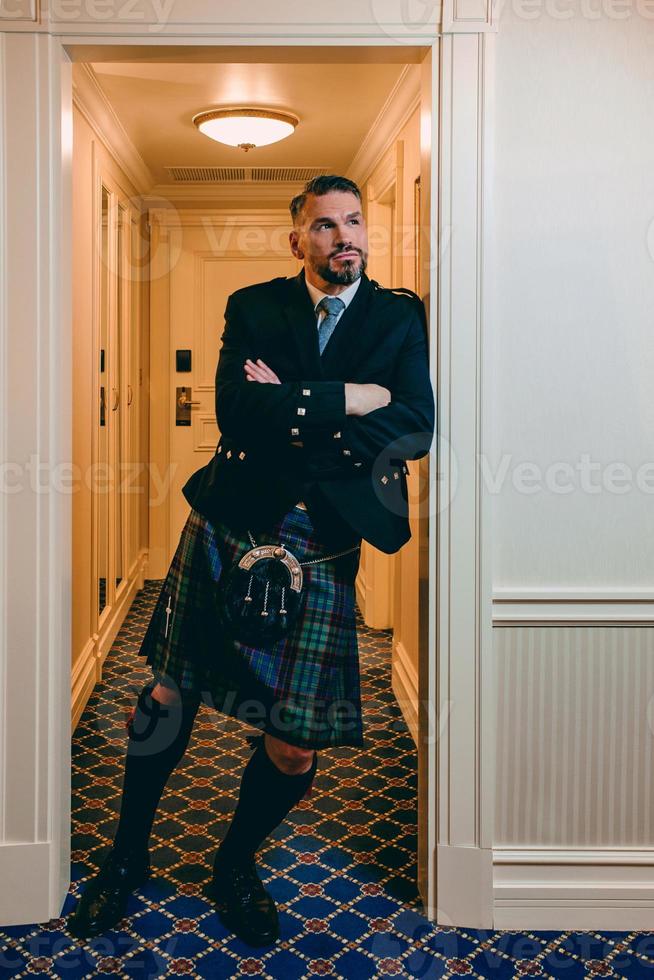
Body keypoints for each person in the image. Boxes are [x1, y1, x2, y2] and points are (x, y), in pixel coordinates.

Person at [68, 174, 435, 946]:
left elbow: (414, 427)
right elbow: (235, 406)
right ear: (297, 238)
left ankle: (235, 862)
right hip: (232, 520)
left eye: (355, 221)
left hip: (327, 538)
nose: (346, 238)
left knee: (295, 737)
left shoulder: (399, 316)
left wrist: (296, 401)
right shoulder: (255, 305)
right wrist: (348, 397)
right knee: (171, 691)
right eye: (326, 226)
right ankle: (127, 855)